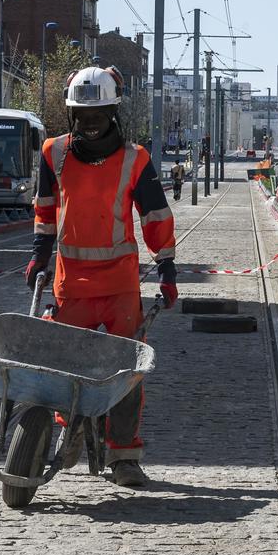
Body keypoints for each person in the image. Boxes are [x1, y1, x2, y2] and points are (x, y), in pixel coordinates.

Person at [25, 65, 178, 488]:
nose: (89, 124)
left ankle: (123, 455)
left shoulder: (135, 159)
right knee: (65, 367)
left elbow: (155, 216)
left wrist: (166, 266)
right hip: (71, 284)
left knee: (125, 372)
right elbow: (44, 209)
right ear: (71, 114)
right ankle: (70, 433)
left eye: (97, 115)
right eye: (81, 116)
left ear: (112, 112)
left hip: (120, 286)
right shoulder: (53, 152)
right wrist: (39, 255)